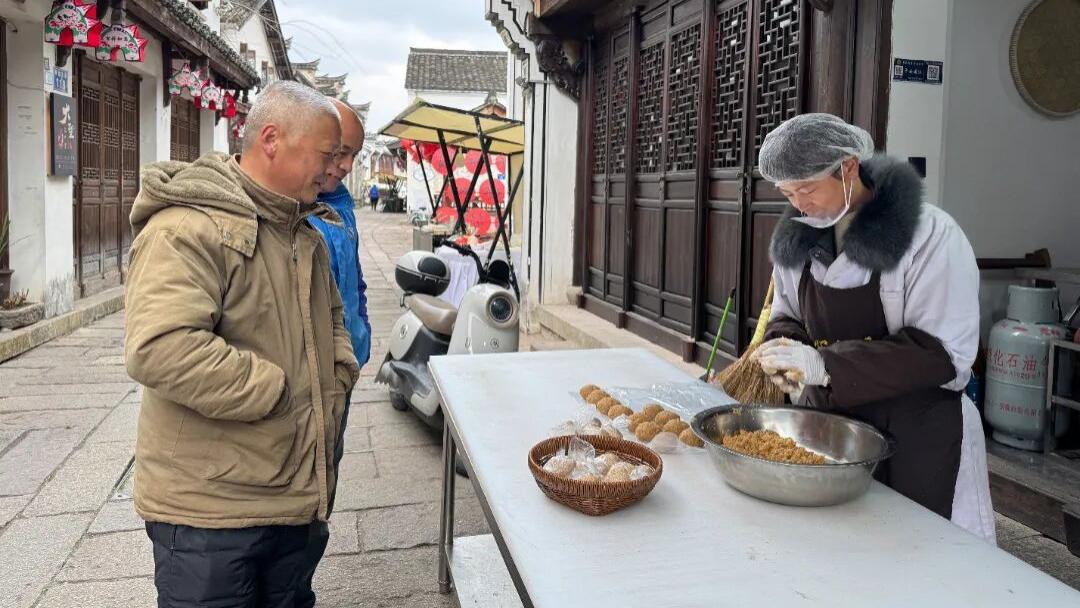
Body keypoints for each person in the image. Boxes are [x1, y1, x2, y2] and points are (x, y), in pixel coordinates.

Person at [124, 81, 359, 607]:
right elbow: (160, 346)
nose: (335, 169)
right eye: (328, 154)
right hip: (212, 513)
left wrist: (338, 372)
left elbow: (333, 319)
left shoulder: (303, 232)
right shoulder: (188, 227)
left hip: (294, 500)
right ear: (271, 139)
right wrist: (278, 390)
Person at [754, 113, 995, 543]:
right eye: (788, 193)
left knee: (917, 554)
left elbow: (943, 354)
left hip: (918, 435)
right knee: (837, 551)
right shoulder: (800, 236)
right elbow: (786, 311)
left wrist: (826, 366)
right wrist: (784, 349)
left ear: (848, 168)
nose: (799, 205)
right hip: (830, 429)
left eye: (807, 188)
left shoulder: (929, 236)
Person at [295, 98, 371, 608]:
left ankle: (300, 585)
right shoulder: (292, 205)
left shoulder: (340, 205)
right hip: (301, 383)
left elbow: (354, 281)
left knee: (325, 488)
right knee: (297, 500)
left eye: (352, 157)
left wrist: (360, 338)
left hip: (339, 374)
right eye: (340, 152)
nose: (344, 166)